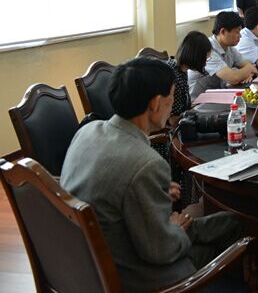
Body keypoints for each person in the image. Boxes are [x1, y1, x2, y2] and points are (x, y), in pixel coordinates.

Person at [60, 58, 243, 292]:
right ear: (156, 103)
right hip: (139, 276)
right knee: (236, 233)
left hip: (87, 265)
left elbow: (113, 182)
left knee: (227, 222)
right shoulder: (146, 163)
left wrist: (154, 189)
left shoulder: (87, 131)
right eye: (172, 96)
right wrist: (176, 229)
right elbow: (162, 251)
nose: (173, 104)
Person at [187, 12, 258, 97]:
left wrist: (246, 73)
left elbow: (253, 69)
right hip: (197, 100)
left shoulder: (229, 48)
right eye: (237, 32)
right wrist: (247, 70)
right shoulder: (208, 50)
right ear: (223, 31)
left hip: (216, 95)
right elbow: (234, 78)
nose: (240, 36)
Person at [168, 31, 211, 116]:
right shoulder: (174, 76)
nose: (206, 62)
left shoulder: (182, 70)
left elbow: (184, 106)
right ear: (197, 56)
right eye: (206, 58)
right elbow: (174, 117)